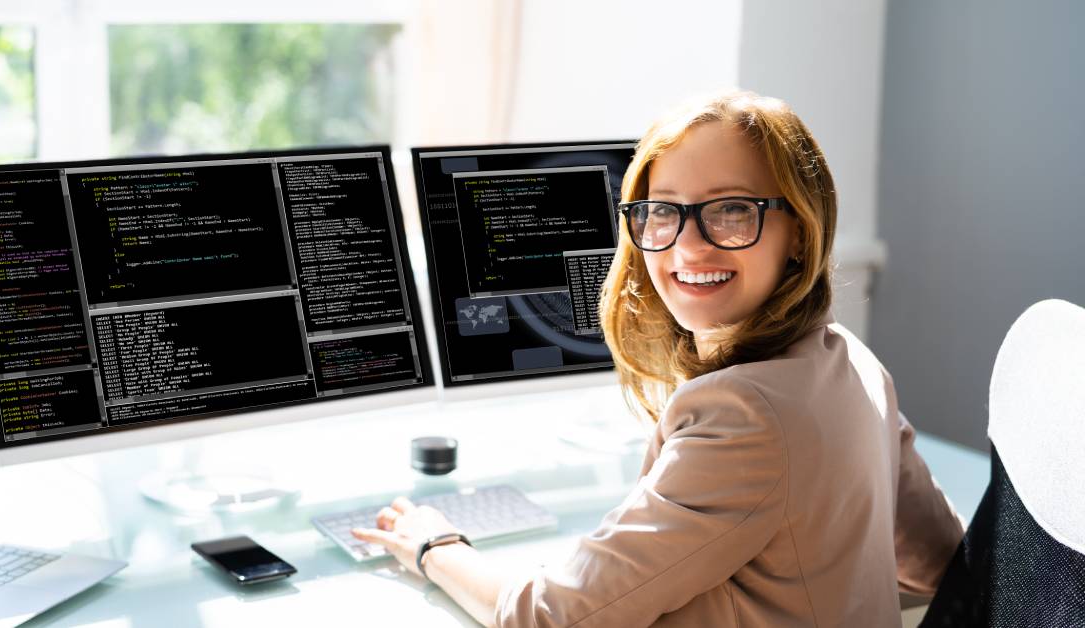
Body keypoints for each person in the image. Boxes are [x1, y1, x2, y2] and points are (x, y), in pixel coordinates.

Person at [352, 91, 965, 627]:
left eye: (731, 210)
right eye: (663, 210)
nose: (688, 247)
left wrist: (434, 545)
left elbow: (546, 617)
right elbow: (939, 563)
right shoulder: (851, 362)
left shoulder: (745, 415)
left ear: (801, 230)